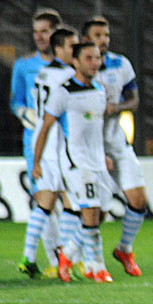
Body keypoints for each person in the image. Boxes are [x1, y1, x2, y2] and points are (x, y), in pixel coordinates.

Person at [32, 42, 113, 283]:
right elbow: (45, 128)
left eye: (97, 58)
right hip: (76, 163)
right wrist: (37, 162)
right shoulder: (63, 92)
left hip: (98, 162)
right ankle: (97, 267)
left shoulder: (99, 89)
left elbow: (95, 129)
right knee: (89, 214)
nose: (94, 63)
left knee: (101, 214)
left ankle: (66, 255)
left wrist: (105, 154)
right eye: (88, 58)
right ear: (75, 62)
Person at [17, 27, 85, 281]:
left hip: (43, 142)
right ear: (58, 49)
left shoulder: (44, 73)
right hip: (59, 143)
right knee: (73, 204)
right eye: (72, 46)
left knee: (45, 204)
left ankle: (29, 257)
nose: (76, 51)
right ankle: (65, 262)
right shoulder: (69, 75)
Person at [82, 17, 146, 277]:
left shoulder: (121, 64)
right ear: (86, 40)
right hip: (91, 146)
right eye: (98, 35)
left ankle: (124, 248)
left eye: (106, 34)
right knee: (98, 210)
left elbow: (134, 100)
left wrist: (116, 107)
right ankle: (83, 258)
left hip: (117, 141)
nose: (104, 40)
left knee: (139, 200)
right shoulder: (80, 68)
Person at [11, 9, 62, 278]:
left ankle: (74, 257)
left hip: (65, 141)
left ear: (56, 32)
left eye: (44, 31)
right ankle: (56, 260)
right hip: (36, 143)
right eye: (36, 31)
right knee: (44, 199)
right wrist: (24, 114)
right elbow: (16, 100)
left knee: (72, 200)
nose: (39, 37)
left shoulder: (70, 64)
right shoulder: (24, 65)